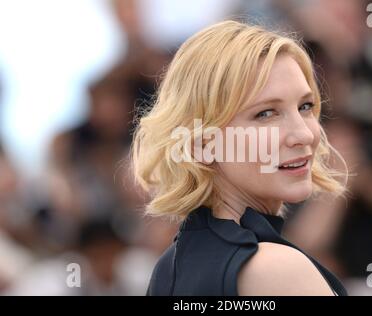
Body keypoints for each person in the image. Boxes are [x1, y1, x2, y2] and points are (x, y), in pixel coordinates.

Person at [131, 20, 349, 296]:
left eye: (305, 106)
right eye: (266, 114)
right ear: (202, 143)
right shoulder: (276, 269)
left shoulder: (168, 268)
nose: (304, 134)